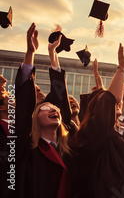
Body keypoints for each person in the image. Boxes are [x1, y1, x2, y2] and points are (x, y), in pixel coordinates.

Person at [69, 43, 124, 197]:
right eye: (109, 103)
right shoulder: (92, 133)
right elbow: (108, 104)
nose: (115, 105)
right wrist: (121, 69)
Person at [16, 23, 73, 198]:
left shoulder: (69, 149)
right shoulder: (25, 143)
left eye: (53, 108)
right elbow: (24, 100)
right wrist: (30, 53)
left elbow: (60, 98)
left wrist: (52, 54)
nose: (51, 109)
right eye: (44, 109)